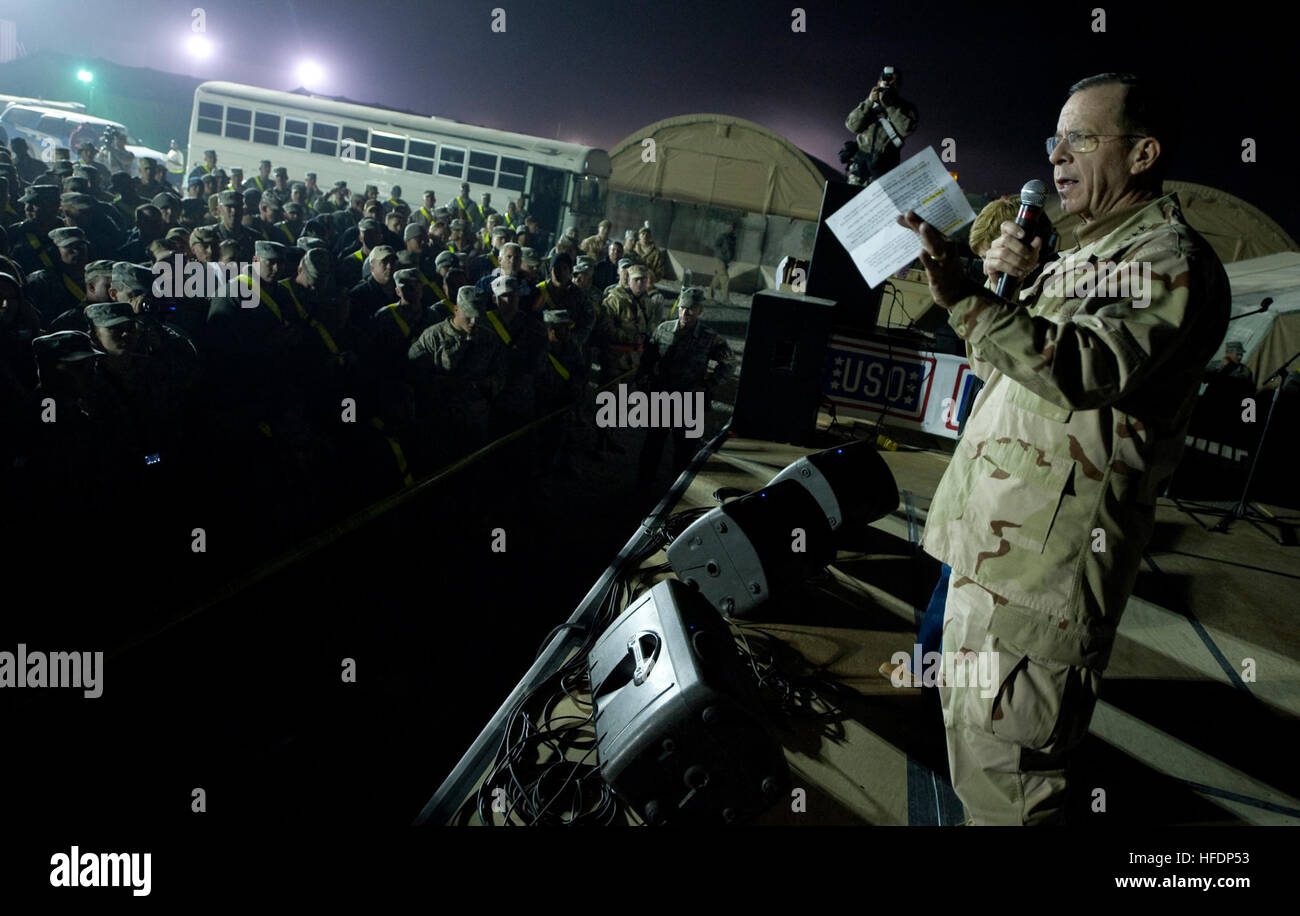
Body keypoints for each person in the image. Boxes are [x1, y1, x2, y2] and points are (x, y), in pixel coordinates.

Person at [895, 72, 1230, 825]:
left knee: (1011, 794)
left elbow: (1086, 370)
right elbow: (1002, 374)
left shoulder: (1166, 258)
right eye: (1055, 138)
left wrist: (968, 301)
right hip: (987, 555)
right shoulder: (1083, 254)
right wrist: (997, 290)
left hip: (1037, 585)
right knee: (975, 766)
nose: (1057, 157)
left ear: (1143, 154)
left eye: (1081, 137)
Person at [635, 287, 731, 492]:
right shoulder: (663, 330)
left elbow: (729, 363)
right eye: (682, 308)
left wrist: (709, 384)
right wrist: (645, 382)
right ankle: (643, 485)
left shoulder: (709, 337)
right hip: (662, 397)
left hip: (689, 400)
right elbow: (647, 360)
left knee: (685, 451)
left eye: (690, 309)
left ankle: (679, 492)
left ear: (699, 311)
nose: (685, 313)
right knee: (653, 444)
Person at [844, 65, 918, 186]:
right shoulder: (870, 104)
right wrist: (869, 102)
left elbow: (907, 129)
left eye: (895, 81)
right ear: (879, 83)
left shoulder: (906, 108)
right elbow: (852, 126)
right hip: (860, 167)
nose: (891, 84)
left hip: (884, 169)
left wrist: (890, 106)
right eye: (887, 80)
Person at [710, 221, 738, 302]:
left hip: (725, 261)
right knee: (725, 278)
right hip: (720, 259)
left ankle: (709, 297)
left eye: (732, 228)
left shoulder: (732, 238)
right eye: (729, 227)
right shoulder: (722, 236)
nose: (731, 229)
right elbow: (716, 246)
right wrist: (722, 254)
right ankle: (726, 299)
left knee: (717, 278)